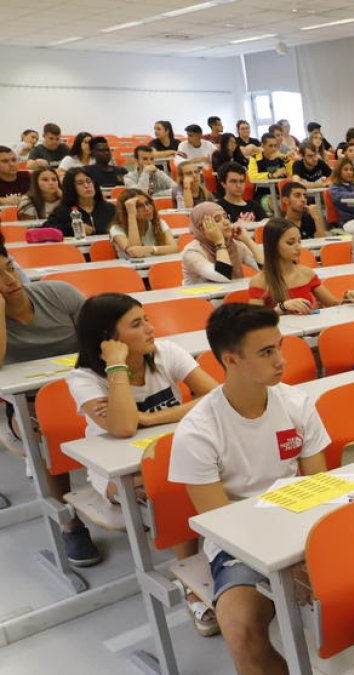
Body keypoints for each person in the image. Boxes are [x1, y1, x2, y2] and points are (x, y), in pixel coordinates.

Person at [169, 302, 330, 673]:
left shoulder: (296, 404)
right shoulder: (198, 432)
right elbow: (224, 525)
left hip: (302, 523)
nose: (281, 361)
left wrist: (307, 552)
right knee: (240, 631)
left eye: (280, 347)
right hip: (238, 544)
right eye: (266, 352)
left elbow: (318, 486)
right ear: (231, 360)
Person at [64, 293, 221, 634]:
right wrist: (117, 366)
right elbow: (122, 427)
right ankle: (193, 582)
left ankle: (220, 559)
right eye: (137, 324)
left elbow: (215, 396)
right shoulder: (84, 379)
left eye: (147, 319)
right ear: (108, 338)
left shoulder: (167, 353)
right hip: (117, 474)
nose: (151, 328)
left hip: (175, 452)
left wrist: (150, 420)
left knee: (194, 476)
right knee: (174, 488)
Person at [0, 246, 95, 563]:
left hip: (82, 385)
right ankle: (70, 523)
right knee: (47, 431)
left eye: (9, 267)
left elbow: (98, 336)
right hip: (24, 402)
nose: (9, 279)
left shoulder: (57, 293)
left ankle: (129, 494)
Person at [248, 218, 354, 314]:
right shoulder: (259, 281)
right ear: (273, 246)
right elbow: (254, 320)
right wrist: (281, 308)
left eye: (299, 241)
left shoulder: (307, 273)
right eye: (290, 243)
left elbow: (333, 303)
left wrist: (348, 298)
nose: (298, 247)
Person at [181, 202, 262, 285]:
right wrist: (219, 242)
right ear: (202, 228)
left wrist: (247, 240)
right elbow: (223, 275)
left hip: (232, 295)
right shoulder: (192, 252)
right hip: (203, 298)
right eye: (217, 220)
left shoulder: (234, 245)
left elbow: (267, 269)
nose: (226, 222)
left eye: (225, 217)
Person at [110, 188, 178, 259]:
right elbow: (135, 252)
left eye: (147, 203)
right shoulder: (116, 229)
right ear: (127, 210)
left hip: (155, 265)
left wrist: (151, 249)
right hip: (132, 269)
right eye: (139, 206)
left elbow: (174, 248)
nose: (147, 209)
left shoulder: (159, 223)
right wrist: (131, 215)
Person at [46, 168, 115, 236]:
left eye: (88, 181)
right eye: (80, 183)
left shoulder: (111, 209)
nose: (86, 185)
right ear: (71, 187)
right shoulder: (62, 212)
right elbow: (44, 230)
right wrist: (72, 228)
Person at [329, 156, 354, 223]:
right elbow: (344, 196)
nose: (349, 172)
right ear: (338, 171)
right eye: (345, 169)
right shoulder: (334, 187)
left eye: (351, 170)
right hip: (348, 220)